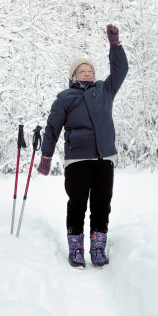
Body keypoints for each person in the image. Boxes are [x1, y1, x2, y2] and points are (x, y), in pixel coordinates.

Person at [36, 24, 128, 269]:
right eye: (81, 71)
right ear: (73, 76)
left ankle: (97, 248)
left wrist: (115, 46)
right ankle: (76, 249)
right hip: (77, 161)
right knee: (77, 205)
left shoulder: (105, 90)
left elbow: (121, 71)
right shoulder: (65, 97)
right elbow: (53, 128)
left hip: (103, 159)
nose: (86, 73)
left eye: (89, 70)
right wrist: (46, 155)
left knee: (102, 205)